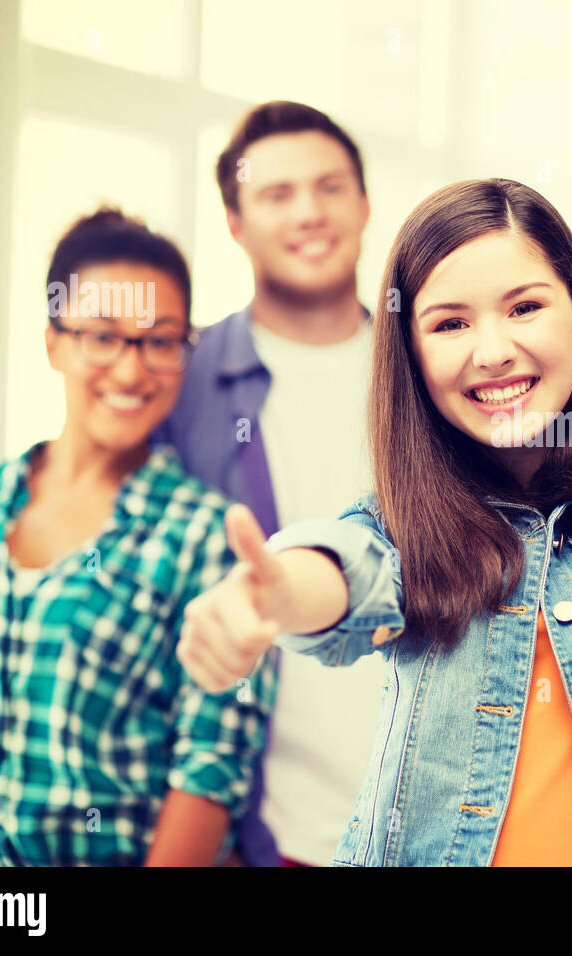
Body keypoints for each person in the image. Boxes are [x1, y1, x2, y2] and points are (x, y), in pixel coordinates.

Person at [173, 178, 572, 866]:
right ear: (410, 356)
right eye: (450, 323)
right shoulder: (404, 533)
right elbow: (343, 571)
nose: (494, 350)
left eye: (525, 307)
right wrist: (276, 595)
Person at [0, 208, 274, 866]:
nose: (131, 372)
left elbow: (210, 769)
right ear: (53, 342)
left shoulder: (208, 539)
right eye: (102, 336)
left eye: (160, 341)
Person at [152, 101, 379, 867]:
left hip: (439, 817)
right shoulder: (179, 383)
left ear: (366, 202)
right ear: (235, 223)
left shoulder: (432, 370)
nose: (309, 213)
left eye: (329, 186)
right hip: (260, 832)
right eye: (277, 195)